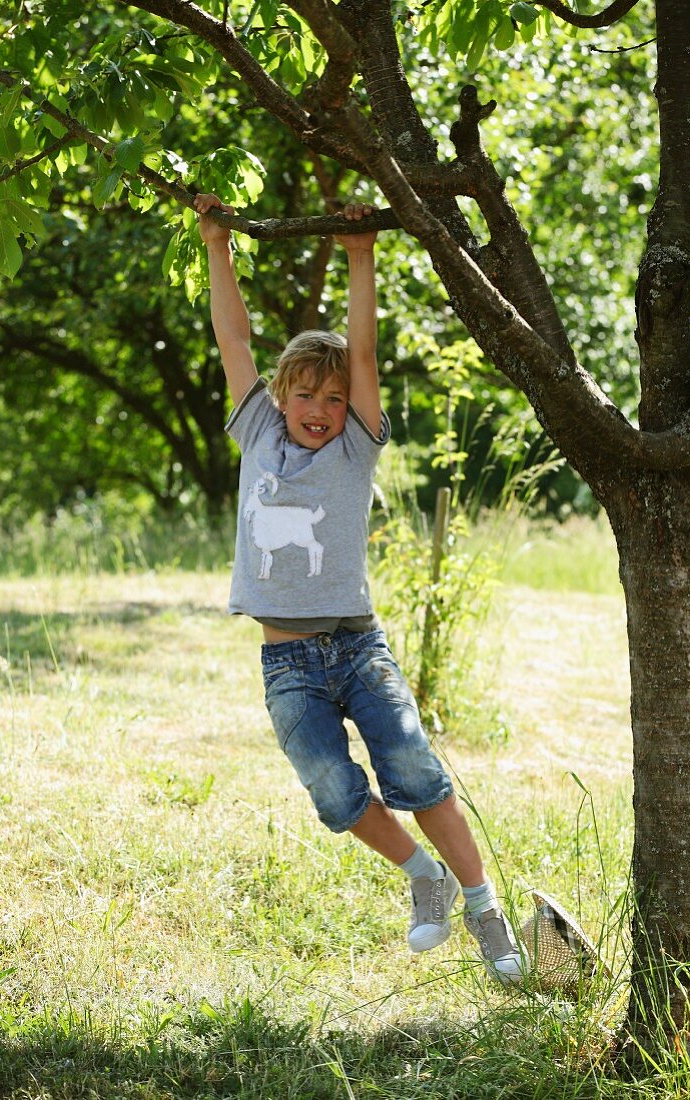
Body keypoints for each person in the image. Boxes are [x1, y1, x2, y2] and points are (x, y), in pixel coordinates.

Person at [193, 191, 525, 983]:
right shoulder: (258, 432)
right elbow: (232, 336)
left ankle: (485, 909)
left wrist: (360, 256)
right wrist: (216, 243)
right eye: (305, 394)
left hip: (357, 648)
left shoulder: (354, 451)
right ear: (280, 397)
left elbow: (365, 356)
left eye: (334, 399)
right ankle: (424, 877)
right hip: (286, 664)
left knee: (413, 770)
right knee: (333, 792)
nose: (319, 409)